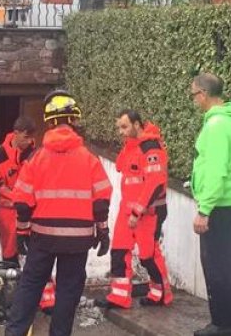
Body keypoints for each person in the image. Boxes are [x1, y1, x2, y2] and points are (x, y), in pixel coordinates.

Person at [4, 90, 112, 336]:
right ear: (73, 121)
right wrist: (103, 231)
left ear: (49, 121)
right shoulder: (89, 159)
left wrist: (21, 231)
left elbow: (22, 200)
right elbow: (102, 199)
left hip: (43, 238)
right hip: (78, 240)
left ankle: (15, 333)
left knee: (30, 287)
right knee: (68, 293)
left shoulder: (37, 159)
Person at [189, 74, 231, 336]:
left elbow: (217, 170)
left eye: (194, 95)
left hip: (222, 204)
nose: (194, 101)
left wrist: (205, 209)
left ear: (203, 94)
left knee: (217, 267)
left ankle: (223, 325)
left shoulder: (216, 126)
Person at [98, 110, 173, 310]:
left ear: (137, 124)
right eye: (119, 128)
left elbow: (155, 184)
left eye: (124, 127)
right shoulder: (133, 146)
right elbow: (123, 168)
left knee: (148, 256)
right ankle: (119, 297)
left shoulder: (151, 148)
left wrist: (137, 212)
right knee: (119, 251)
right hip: (129, 210)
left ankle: (161, 294)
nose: (121, 132)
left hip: (148, 212)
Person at [0, 116, 38, 264]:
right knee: (9, 255)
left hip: (29, 212)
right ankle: (10, 280)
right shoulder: (0, 155)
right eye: (26, 137)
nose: (28, 141)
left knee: (33, 254)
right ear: (16, 133)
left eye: (31, 138)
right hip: (6, 213)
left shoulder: (34, 155)